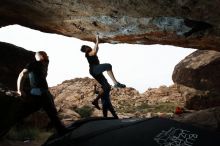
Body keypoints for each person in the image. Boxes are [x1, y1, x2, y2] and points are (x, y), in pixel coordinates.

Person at [17, 51, 67, 135]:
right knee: (51, 112)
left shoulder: (43, 65)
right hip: (38, 91)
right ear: (41, 56)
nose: (47, 56)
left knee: (51, 111)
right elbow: (22, 74)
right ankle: (61, 131)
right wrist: (19, 90)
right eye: (45, 55)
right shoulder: (33, 64)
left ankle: (59, 130)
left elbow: (47, 61)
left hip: (43, 91)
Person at [81, 35, 125, 118]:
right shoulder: (88, 53)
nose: (88, 47)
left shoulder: (91, 53)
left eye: (87, 46)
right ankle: (115, 83)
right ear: (85, 50)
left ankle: (95, 101)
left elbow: (96, 50)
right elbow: (94, 51)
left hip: (96, 71)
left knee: (107, 86)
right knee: (108, 65)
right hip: (94, 69)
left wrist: (97, 43)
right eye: (86, 47)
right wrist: (97, 40)